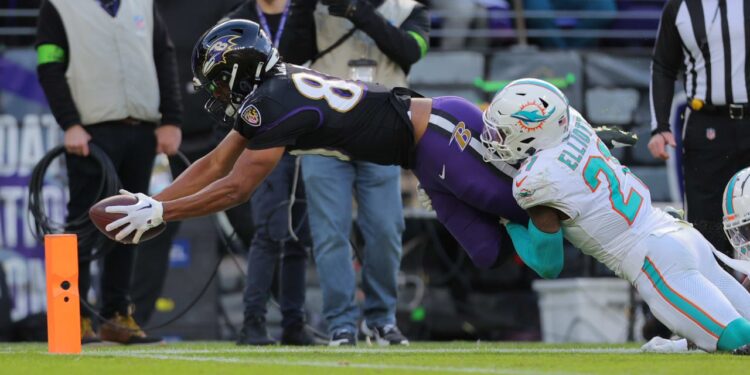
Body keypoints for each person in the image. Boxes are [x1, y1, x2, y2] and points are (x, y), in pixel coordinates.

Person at [98, 20, 634, 329]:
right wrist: (153, 200)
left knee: (521, 203)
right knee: (491, 252)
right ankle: (547, 198)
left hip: (439, 131)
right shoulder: (270, 92)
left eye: (218, 83)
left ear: (239, 71)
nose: (217, 96)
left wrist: (163, 210)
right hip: (421, 150)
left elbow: (237, 185)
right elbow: (215, 163)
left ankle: (585, 182)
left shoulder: (270, 102)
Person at [483, 78, 750, 354]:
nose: (496, 138)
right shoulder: (573, 123)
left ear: (532, 130)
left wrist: (509, 223)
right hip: (680, 235)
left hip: (656, 260)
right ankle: (685, 346)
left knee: (741, 340)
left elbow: (548, 264)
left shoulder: (535, 180)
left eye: (504, 132)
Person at [36, 0, 182, 344]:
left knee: (131, 223)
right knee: (84, 225)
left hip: (142, 129)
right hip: (91, 133)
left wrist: (172, 120)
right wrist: (69, 123)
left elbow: (164, 56)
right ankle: (78, 315)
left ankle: (118, 314)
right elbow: (48, 66)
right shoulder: (59, 6)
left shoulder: (142, 4)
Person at [297, 0, 429, 346]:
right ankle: (341, 323)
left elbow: (411, 51)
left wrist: (358, 11)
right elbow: (289, 52)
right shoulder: (312, 9)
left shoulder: (408, 9)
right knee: (330, 235)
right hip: (323, 136)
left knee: (386, 230)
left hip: (381, 138)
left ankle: (381, 320)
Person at [222, 0, 317, 346]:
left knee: (298, 237)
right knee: (267, 232)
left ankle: (294, 324)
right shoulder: (238, 20)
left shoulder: (308, 12)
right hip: (265, 134)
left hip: (308, 133)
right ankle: (253, 323)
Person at [647, 0, 750, 258]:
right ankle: (715, 295)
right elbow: (662, 66)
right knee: (707, 230)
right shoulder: (679, 7)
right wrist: (659, 126)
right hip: (707, 125)